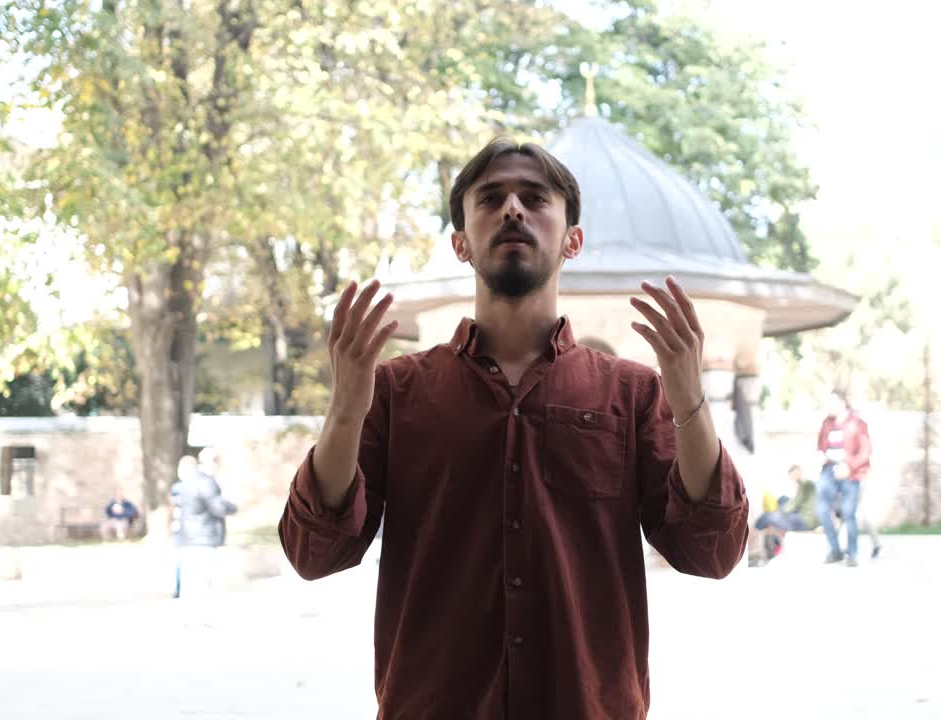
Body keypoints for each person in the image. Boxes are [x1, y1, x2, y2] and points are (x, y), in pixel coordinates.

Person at [278, 138, 750, 718]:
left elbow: (713, 550)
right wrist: (346, 408)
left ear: (572, 240)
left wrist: (689, 397)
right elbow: (313, 553)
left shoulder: (631, 394)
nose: (512, 210)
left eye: (534, 198)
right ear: (460, 243)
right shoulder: (396, 392)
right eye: (491, 198)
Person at [815, 388, 872, 566]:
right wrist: (820, 455)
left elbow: (866, 451)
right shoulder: (826, 423)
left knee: (849, 513)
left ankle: (852, 554)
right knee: (822, 510)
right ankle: (836, 551)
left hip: (850, 472)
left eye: (830, 403)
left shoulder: (858, 423)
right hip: (829, 471)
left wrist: (849, 467)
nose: (827, 407)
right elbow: (819, 447)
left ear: (841, 403)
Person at [173, 454, 238, 598]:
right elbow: (218, 507)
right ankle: (200, 619)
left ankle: (190, 619)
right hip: (204, 537)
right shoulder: (206, 482)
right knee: (202, 584)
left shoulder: (186, 482)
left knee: (190, 585)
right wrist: (233, 507)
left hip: (187, 538)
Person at [754, 465, 817, 563]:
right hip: (805, 516)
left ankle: (755, 544)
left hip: (806, 520)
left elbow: (795, 503)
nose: (792, 479)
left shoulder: (805, 484)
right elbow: (796, 502)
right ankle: (771, 535)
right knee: (782, 500)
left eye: (792, 476)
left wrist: (779, 512)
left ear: (797, 473)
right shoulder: (805, 484)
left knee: (766, 517)